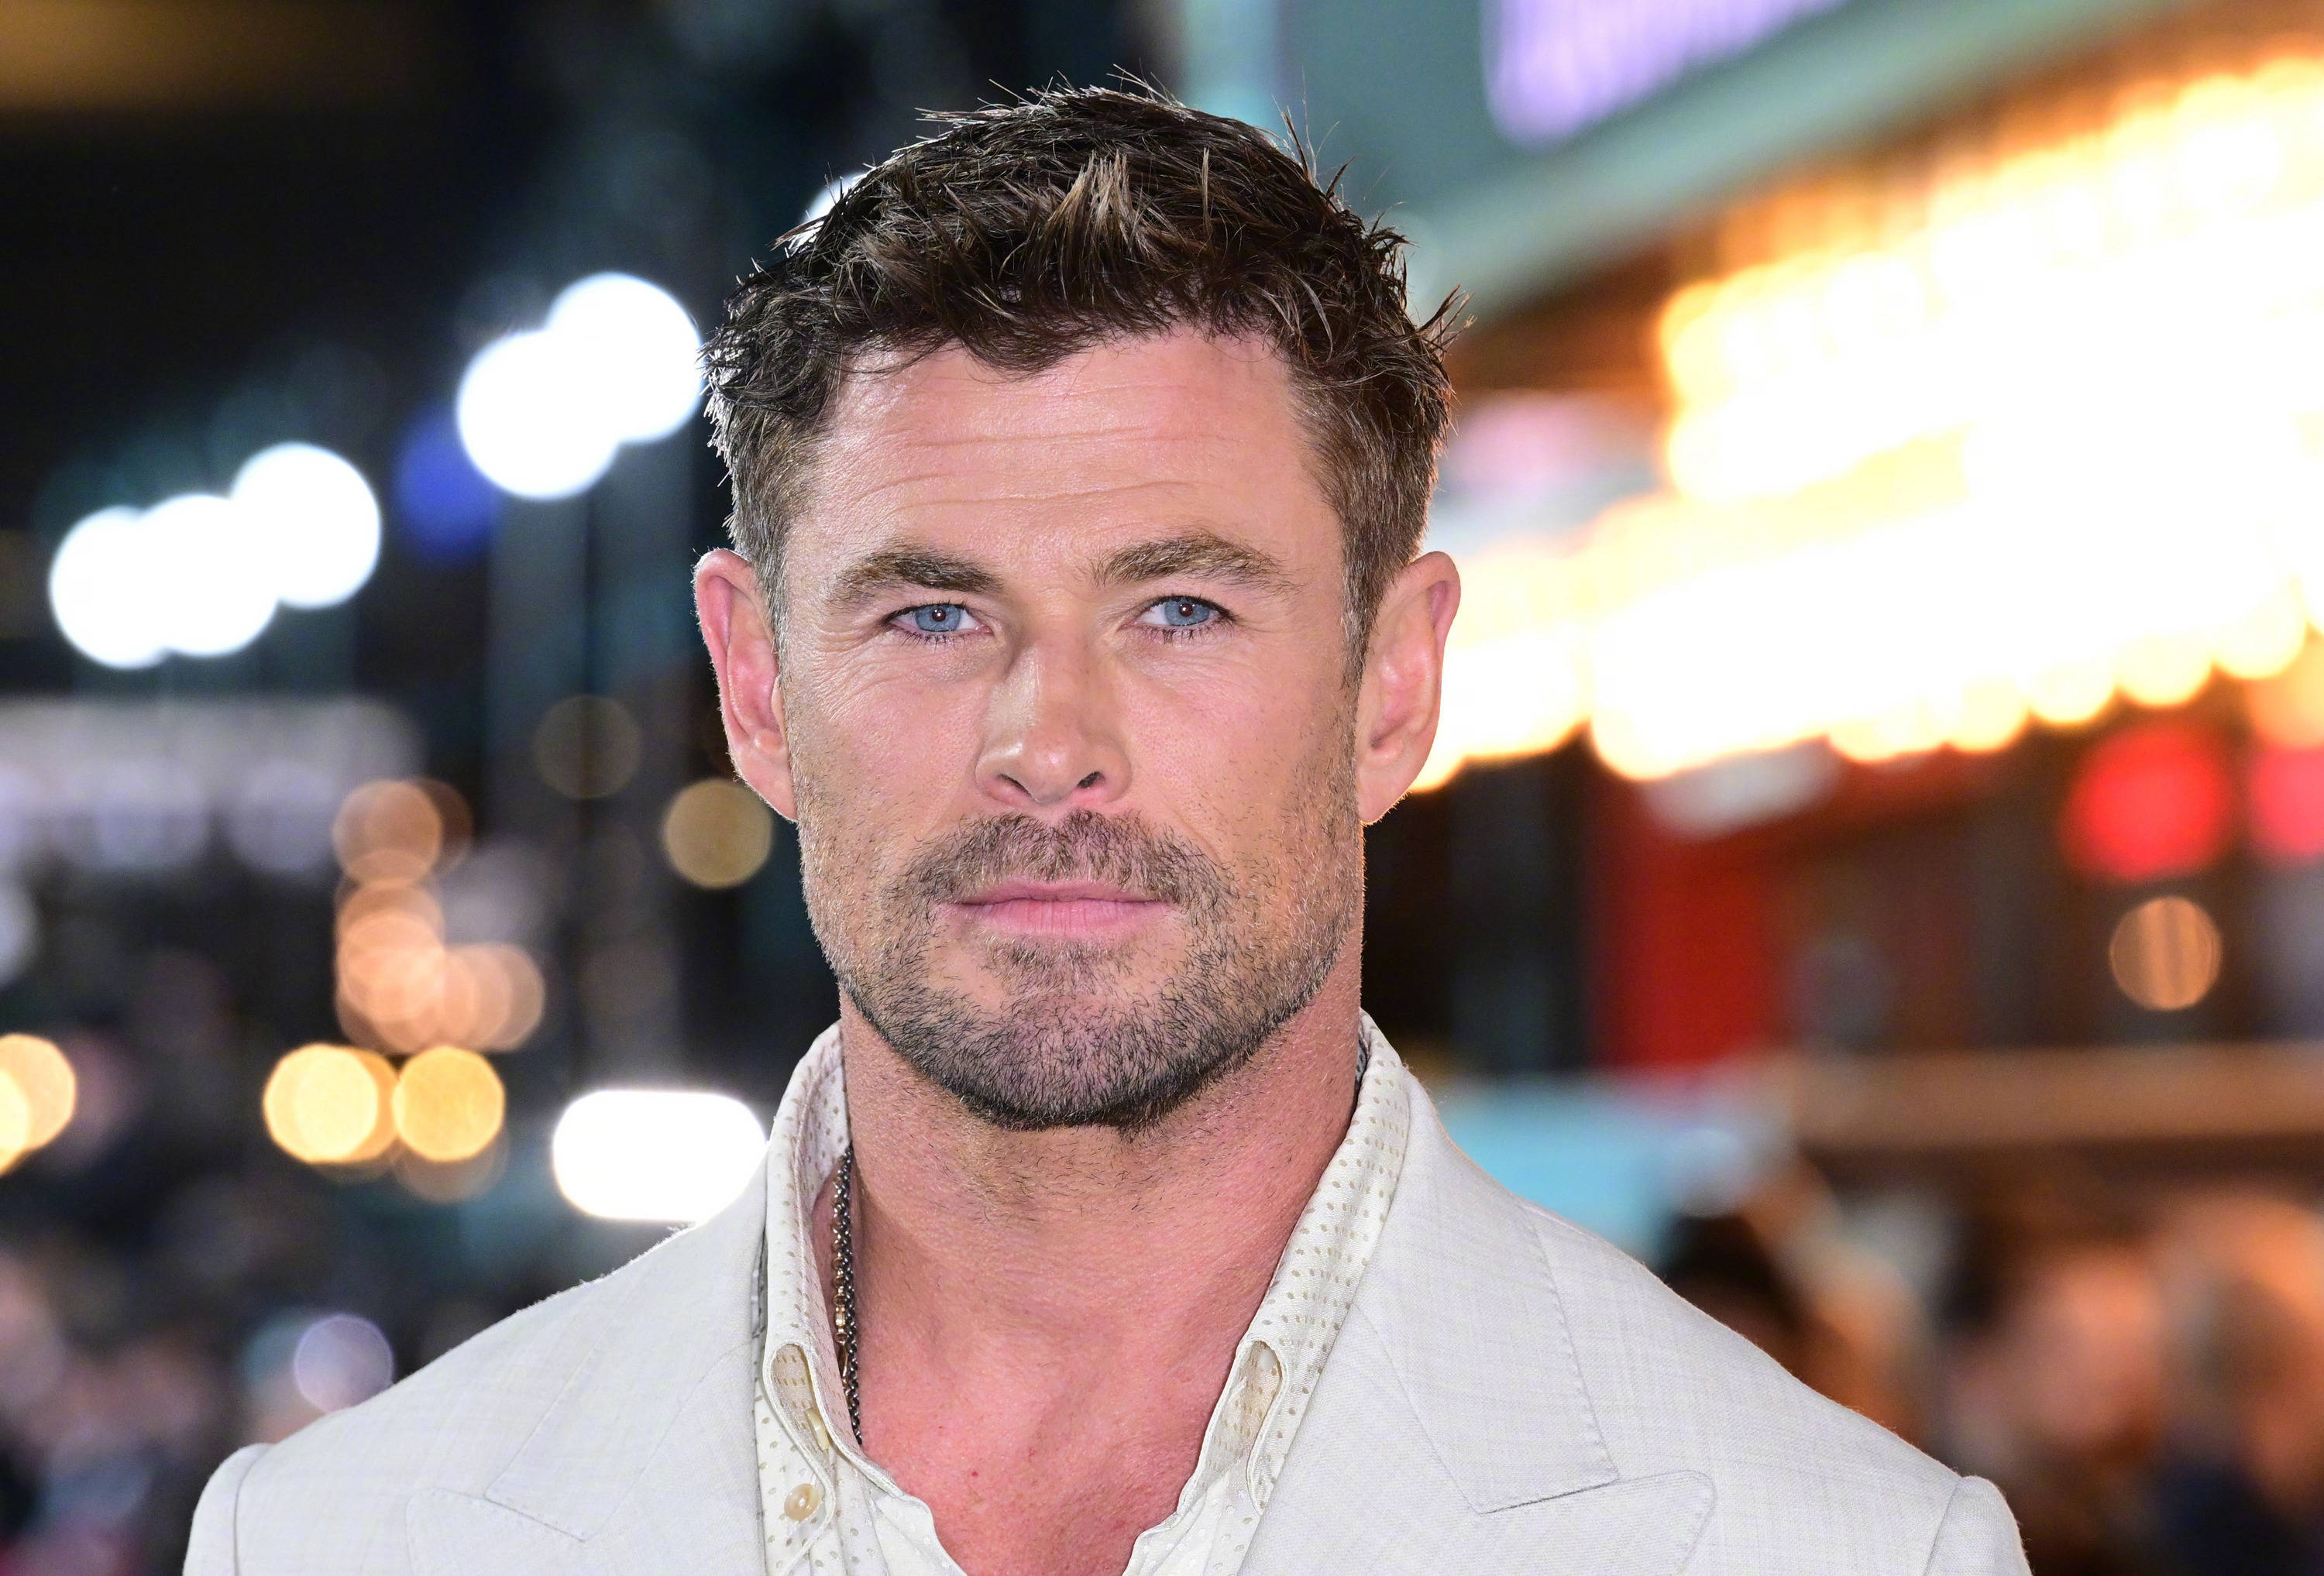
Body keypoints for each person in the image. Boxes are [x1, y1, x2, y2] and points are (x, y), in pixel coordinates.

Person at [184, 86, 2027, 1575]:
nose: (1048, 746)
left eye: (1179, 611)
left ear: (1394, 684)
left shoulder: (1842, 1550)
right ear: (755, 687)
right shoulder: (342, 1541)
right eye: (933, 614)